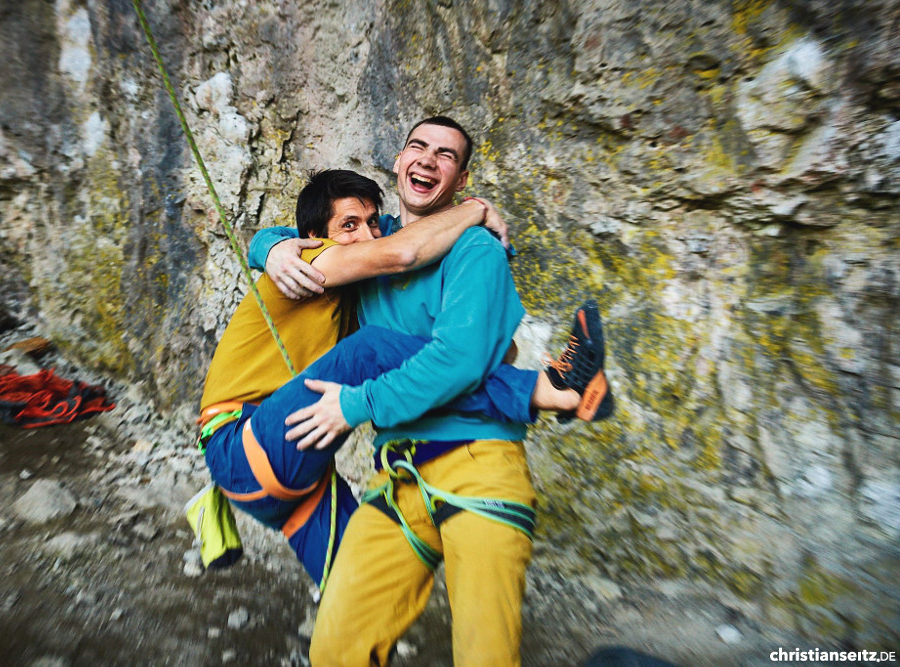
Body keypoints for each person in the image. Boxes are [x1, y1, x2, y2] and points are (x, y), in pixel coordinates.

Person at [255, 117, 613, 665]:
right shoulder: (371, 239)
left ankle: (558, 388)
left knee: (484, 659)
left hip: (478, 464)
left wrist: (355, 404)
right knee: (335, 651)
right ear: (398, 163)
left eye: (445, 155)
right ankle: (556, 388)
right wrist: (271, 247)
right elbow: (318, 231)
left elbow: (457, 362)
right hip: (397, 475)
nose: (428, 158)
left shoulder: (478, 251)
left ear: (461, 178)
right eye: (417, 146)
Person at [200, 169, 606, 588]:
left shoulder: (354, 295)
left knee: (357, 596)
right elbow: (402, 252)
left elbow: (443, 358)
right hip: (243, 444)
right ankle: (547, 389)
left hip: (294, 472)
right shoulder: (308, 261)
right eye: (349, 225)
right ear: (314, 235)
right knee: (371, 348)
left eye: (373, 222)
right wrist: (476, 209)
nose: (367, 235)